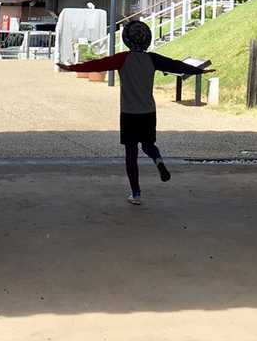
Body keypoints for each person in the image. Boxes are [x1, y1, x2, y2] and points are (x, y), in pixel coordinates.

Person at [58, 19, 211, 205]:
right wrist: (199, 71)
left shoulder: (122, 59)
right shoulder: (152, 59)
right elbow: (175, 65)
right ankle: (158, 160)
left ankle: (136, 194)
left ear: (127, 39)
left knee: (131, 154)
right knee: (148, 145)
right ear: (147, 39)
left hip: (129, 112)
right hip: (148, 111)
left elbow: (97, 65)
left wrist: (71, 67)